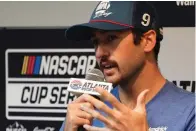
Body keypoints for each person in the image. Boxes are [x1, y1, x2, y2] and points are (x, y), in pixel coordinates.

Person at [59, 1, 195, 131]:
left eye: (111, 38)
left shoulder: (190, 112)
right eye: (95, 42)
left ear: (147, 41)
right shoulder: (88, 109)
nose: (100, 53)